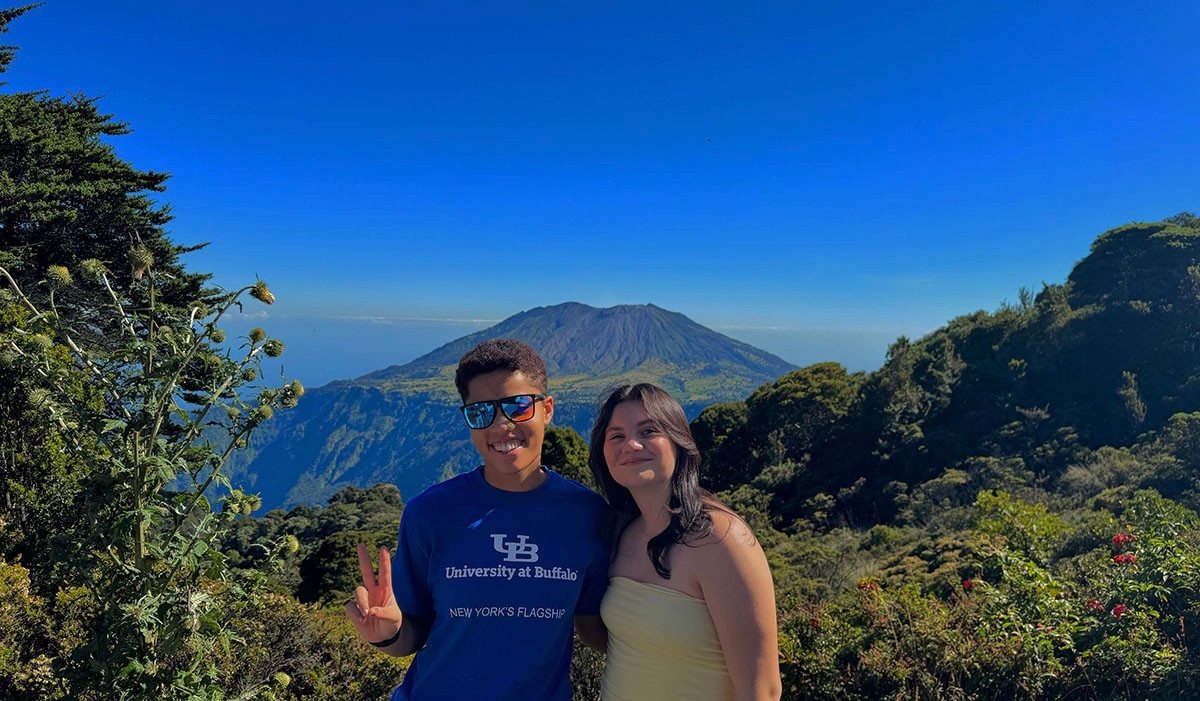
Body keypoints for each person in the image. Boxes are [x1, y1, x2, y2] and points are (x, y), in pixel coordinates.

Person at [346, 338, 610, 700]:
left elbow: (598, 632)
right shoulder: (431, 513)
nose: (501, 426)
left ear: (547, 409)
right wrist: (388, 634)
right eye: (481, 412)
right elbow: (411, 634)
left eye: (518, 406)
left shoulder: (587, 515)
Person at [588, 383, 782, 701]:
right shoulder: (620, 531)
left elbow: (763, 690)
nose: (632, 445)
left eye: (648, 431)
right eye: (617, 436)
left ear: (678, 443)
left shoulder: (718, 539)